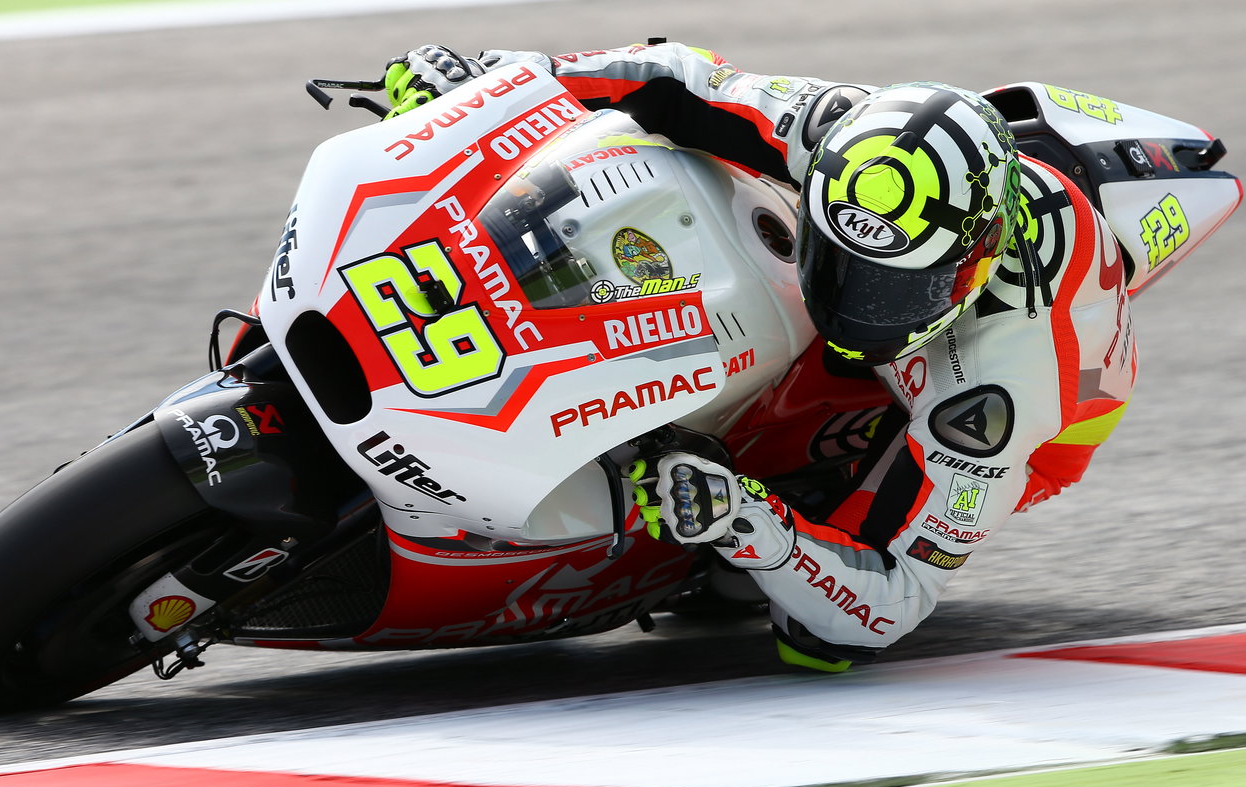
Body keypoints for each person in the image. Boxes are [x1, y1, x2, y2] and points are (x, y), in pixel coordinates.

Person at [382, 43, 1136, 671]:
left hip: (1011, 416)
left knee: (812, 636)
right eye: (843, 265)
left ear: (973, 263)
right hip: (926, 297)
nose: (856, 304)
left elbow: (888, 603)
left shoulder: (1000, 398)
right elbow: (674, 78)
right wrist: (500, 78)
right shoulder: (840, 132)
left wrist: (748, 520)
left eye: (892, 288)